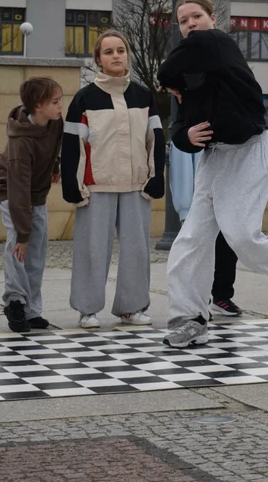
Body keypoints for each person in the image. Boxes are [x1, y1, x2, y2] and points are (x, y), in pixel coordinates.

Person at [157, 0, 268, 348]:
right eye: (183, 21)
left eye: (195, 17)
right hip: (214, 159)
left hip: (250, 151)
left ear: (212, 19)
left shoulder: (219, 44)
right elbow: (178, 129)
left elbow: (164, 70)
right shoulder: (188, 78)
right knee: (191, 241)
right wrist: (186, 135)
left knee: (243, 236)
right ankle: (190, 317)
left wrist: (168, 79)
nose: (190, 25)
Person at [62, 30, 165, 329]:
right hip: (97, 187)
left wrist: (156, 176)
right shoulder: (84, 98)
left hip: (136, 186)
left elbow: (155, 138)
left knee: (136, 251)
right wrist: (72, 184)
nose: (116, 56)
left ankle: (131, 309)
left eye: (120, 50)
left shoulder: (144, 95)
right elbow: (71, 145)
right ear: (98, 60)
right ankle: (87, 309)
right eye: (108, 52)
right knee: (91, 250)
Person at [0, 77, 64, 333]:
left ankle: (32, 310)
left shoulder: (55, 122)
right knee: (19, 246)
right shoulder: (20, 142)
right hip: (10, 189)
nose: (60, 106)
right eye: (55, 102)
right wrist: (23, 233)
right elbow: (18, 189)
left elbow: (54, 146)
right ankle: (15, 303)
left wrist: (55, 165)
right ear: (37, 106)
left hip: (36, 191)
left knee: (38, 250)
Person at [169, 143, 243, 317]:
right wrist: (186, 208)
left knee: (227, 249)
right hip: (199, 204)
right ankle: (197, 304)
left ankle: (222, 296)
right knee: (198, 256)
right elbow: (181, 170)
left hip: (225, 198)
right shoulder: (189, 127)